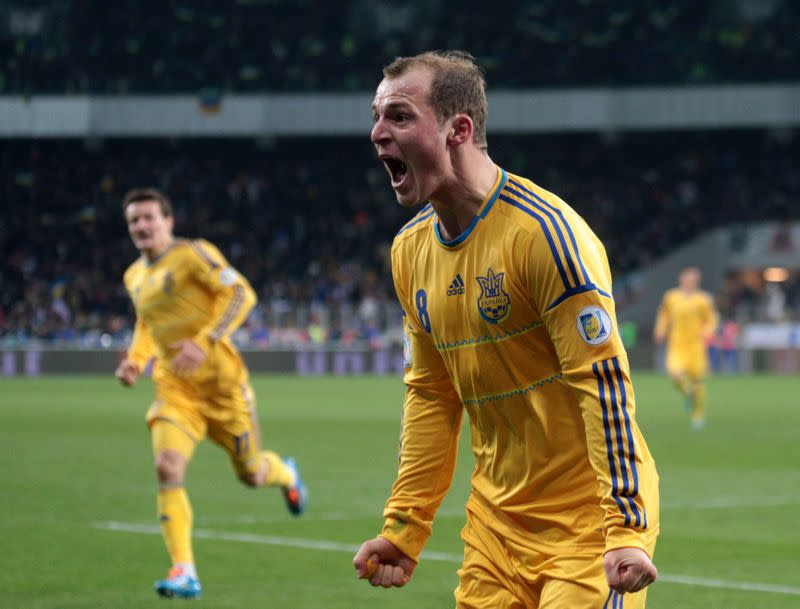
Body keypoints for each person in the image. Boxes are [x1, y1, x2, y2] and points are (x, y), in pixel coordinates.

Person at [353, 51, 659, 609]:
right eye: (376, 116)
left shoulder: (546, 237)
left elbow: (604, 383)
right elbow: (430, 397)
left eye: (398, 116)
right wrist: (404, 526)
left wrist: (628, 529)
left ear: (458, 129)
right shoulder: (409, 253)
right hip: (494, 529)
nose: (377, 133)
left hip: (587, 530)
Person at [115, 187, 307, 599]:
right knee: (167, 468)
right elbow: (147, 324)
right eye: (134, 220)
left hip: (223, 390)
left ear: (168, 221)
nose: (142, 226)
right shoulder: (134, 277)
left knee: (252, 474)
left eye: (149, 217)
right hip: (175, 389)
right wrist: (135, 359)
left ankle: (287, 474)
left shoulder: (193, 254)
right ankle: (184, 570)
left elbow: (241, 293)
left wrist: (204, 340)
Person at [654, 267, 719, 429]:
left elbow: (711, 319)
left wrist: (707, 332)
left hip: (696, 346)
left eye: (694, 280)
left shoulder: (703, 299)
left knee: (698, 381)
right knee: (675, 375)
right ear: (682, 279)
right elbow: (664, 315)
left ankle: (698, 415)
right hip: (677, 345)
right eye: (688, 279)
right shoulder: (671, 297)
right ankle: (688, 393)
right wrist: (660, 330)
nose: (691, 282)